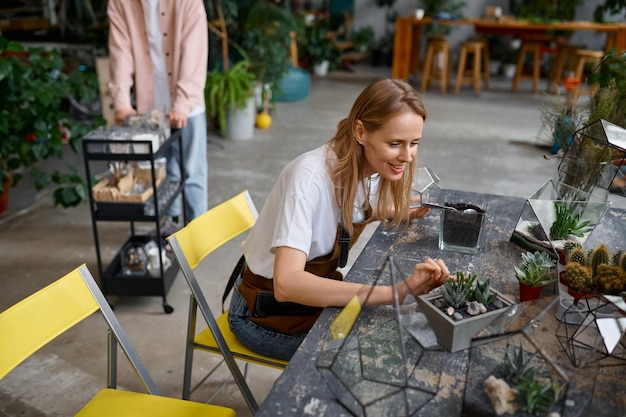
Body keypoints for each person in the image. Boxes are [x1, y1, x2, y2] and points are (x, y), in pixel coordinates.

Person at [228, 78, 450, 361]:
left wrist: (387, 211)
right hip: (263, 315)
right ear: (360, 131)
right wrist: (395, 292)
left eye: (414, 143)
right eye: (395, 143)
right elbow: (288, 284)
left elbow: (347, 212)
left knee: (406, 335)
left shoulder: (363, 167)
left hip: (303, 306)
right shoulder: (308, 179)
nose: (406, 156)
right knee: (381, 356)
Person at [107, 0, 209, 222]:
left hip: (187, 106)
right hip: (149, 109)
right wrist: (122, 101)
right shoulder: (120, 2)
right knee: (158, 177)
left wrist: (181, 104)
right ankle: (167, 235)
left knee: (191, 175)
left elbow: (194, 53)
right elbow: (120, 51)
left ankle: (198, 243)